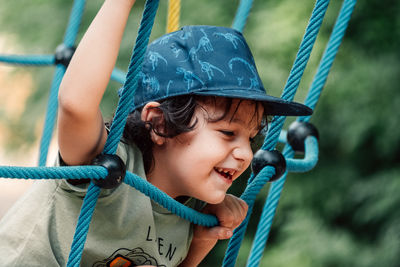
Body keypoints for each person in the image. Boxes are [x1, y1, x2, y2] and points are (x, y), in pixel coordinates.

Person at [0, 0, 312, 266]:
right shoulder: (108, 164)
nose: (246, 152)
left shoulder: (189, 212)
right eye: (228, 132)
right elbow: (75, 104)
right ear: (160, 123)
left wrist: (202, 242)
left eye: (251, 137)